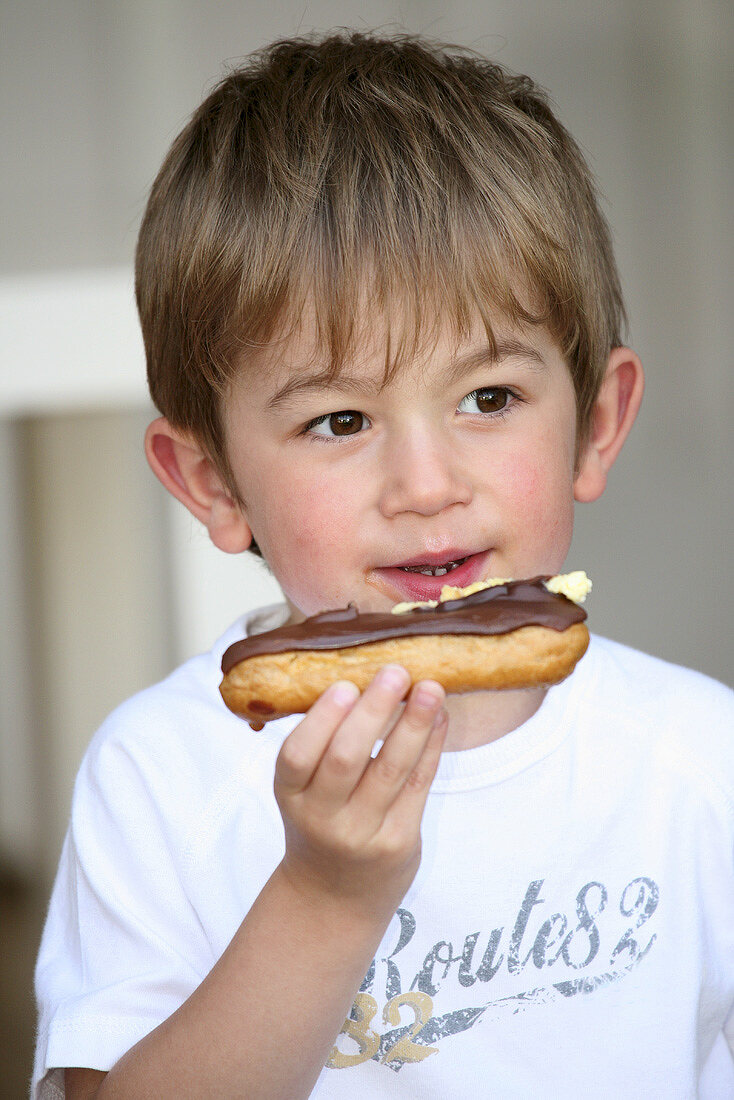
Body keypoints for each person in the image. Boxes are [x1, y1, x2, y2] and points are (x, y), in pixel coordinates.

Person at [33, 30, 734, 1100]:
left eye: (487, 397)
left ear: (594, 425)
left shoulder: (697, 762)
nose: (424, 481)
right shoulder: (162, 775)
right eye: (339, 418)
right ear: (213, 482)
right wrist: (324, 895)